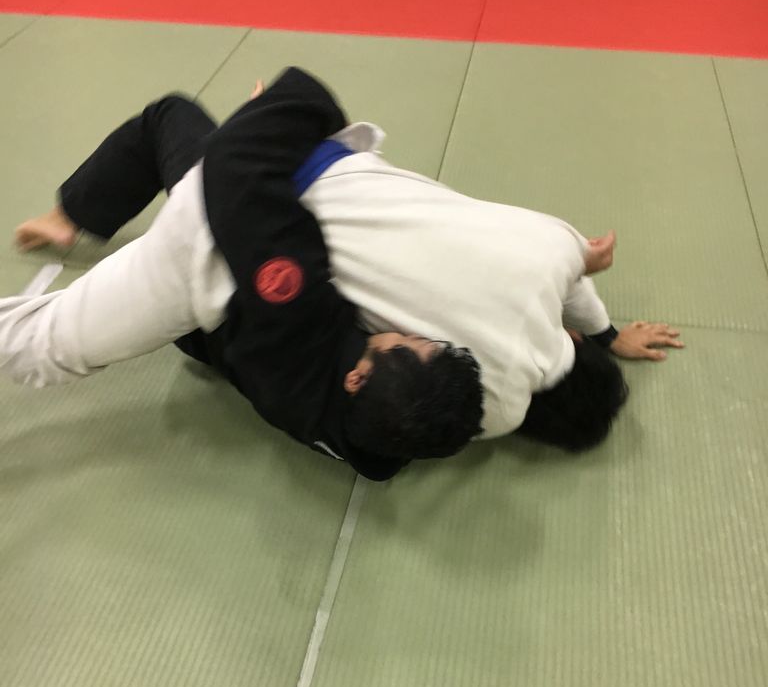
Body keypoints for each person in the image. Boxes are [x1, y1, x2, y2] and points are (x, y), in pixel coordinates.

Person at [6, 68, 682, 475]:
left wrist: (607, 333)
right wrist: (256, 131)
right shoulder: (494, 409)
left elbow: (577, 275)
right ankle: (76, 214)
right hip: (258, 210)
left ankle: (74, 214)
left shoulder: (548, 253)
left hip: (285, 187)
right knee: (175, 132)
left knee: (173, 119)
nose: (417, 333)